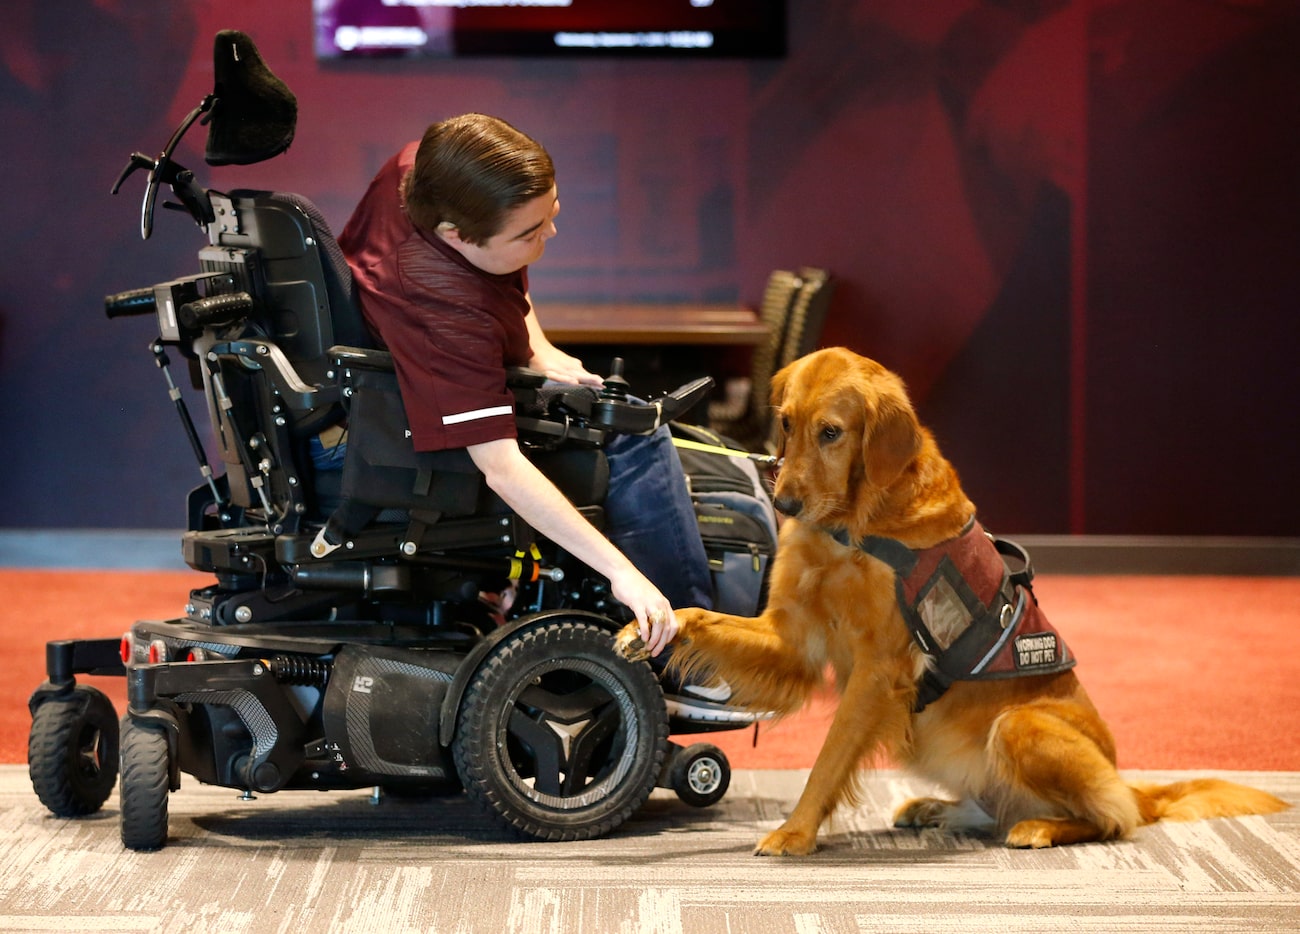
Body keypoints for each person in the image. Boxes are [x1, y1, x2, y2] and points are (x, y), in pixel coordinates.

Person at [336, 113, 746, 720]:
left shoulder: (422, 167)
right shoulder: (446, 315)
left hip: (399, 390)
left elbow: (503, 281)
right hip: (416, 443)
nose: (552, 230)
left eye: (552, 209)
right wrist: (624, 576)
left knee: (609, 406)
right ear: (456, 236)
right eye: (531, 231)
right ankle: (686, 654)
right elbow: (501, 468)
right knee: (636, 434)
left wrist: (539, 352)